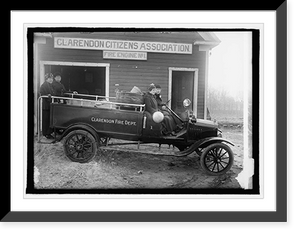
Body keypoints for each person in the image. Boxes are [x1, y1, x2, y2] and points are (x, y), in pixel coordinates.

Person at [39, 73, 55, 139]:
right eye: (50, 78)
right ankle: (46, 133)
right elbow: (42, 94)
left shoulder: (50, 85)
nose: (51, 80)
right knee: (46, 120)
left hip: (50, 105)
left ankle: (49, 132)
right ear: (46, 79)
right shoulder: (43, 86)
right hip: (46, 105)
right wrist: (48, 96)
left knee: (49, 119)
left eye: (52, 78)